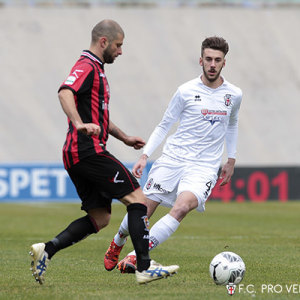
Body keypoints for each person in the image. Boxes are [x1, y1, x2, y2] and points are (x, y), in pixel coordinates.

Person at [29, 19, 179, 285]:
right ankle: (144, 267)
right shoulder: (87, 65)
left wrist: (124, 137)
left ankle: (47, 249)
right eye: (118, 45)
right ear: (104, 42)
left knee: (101, 217)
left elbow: (99, 116)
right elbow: (65, 92)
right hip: (88, 151)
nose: (120, 51)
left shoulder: (97, 70)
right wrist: (78, 123)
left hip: (78, 154)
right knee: (138, 201)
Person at [104, 36, 242, 273]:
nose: (212, 64)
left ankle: (136, 256)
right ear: (200, 60)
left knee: (182, 207)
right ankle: (118, 240)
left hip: (204, 166)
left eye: (217, 60)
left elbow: (232, 124)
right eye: (208, 59)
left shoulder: (234, 94)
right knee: (143, 210)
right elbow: (164, 125)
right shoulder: (185, 91)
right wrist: (145, 155)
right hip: (173, 159)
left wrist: (231, 159)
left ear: (224, 63)